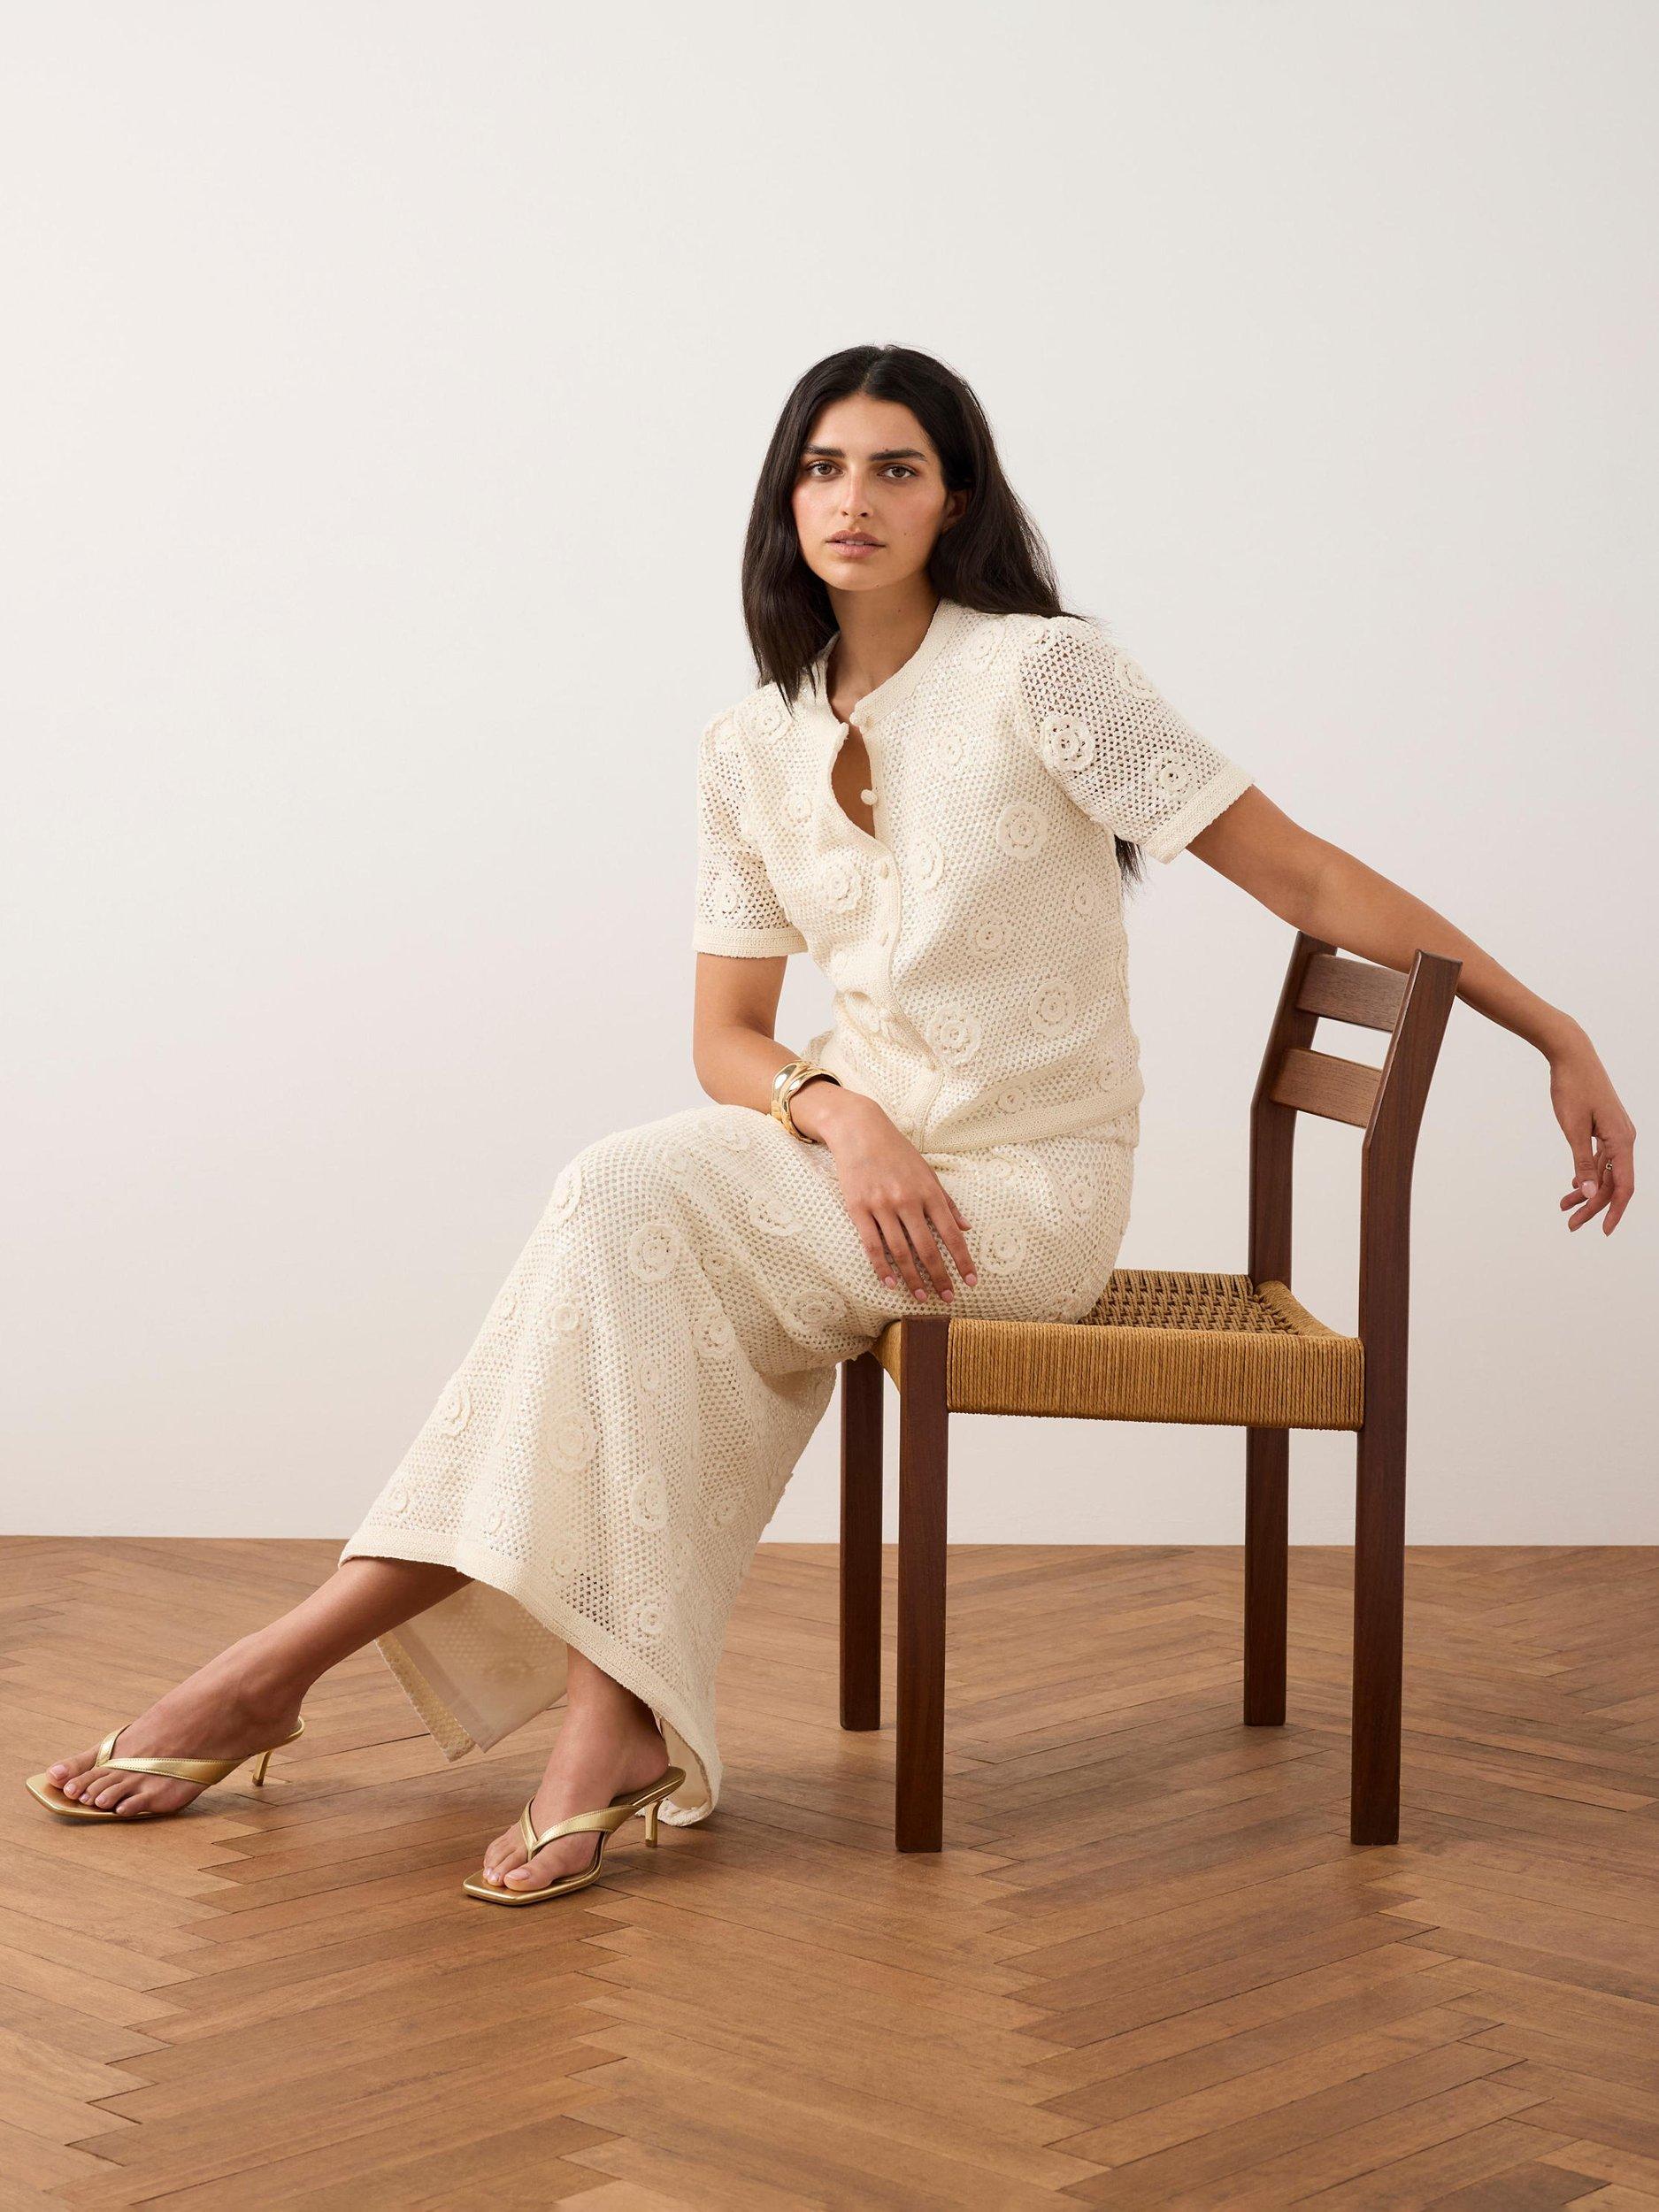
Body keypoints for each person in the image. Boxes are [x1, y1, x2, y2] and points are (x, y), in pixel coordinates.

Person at [27, 344, 1637, 1903]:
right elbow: (726, 1040)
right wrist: (838, 1112)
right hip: (849, 1168)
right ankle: (572, 1713)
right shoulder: (751, 743)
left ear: (957, 499)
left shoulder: (1044, 673)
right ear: (784, 498)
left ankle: (289, 1670)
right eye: (821, 467)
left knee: (631, 1225)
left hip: (1020, 1202)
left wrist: (1552, 1026)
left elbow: (1306, 877)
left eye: (895, 469)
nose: (852, 499)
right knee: (622, 1217)